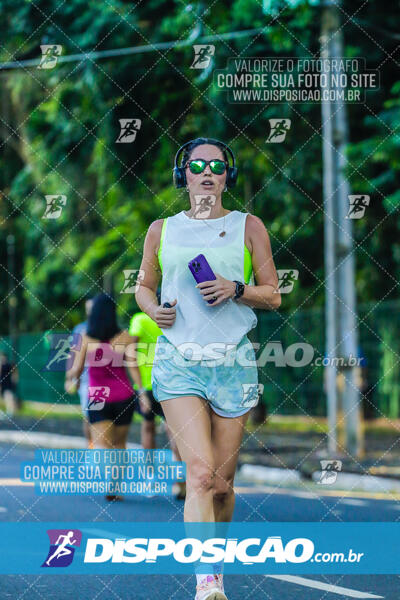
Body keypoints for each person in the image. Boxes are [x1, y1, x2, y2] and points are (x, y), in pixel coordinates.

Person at [135, 138, 281, 600]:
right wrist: (153, 308)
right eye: (197, 165)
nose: (207, 172)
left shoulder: (248, 226)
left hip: (233, 362)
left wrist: (235, 287)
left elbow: (273, 293)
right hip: (178, 362)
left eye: (217, 167)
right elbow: (143, 285)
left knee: (221, 483)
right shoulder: (161, 229)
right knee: (198, 474)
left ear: (226, 177)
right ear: (184, 175)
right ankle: (207, 584)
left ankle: (216, 567)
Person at [65, 293, 149, 502]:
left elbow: (74, 371)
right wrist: (142, 392)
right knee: (120, 444)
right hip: (124, 394)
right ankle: (115, 486)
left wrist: (71, 379)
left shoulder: (84, 337)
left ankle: (106, 479)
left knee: (102, 443)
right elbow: (133, 366)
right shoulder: (125, 336)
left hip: (98, 394)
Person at [129, 296, 186, 499]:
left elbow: (130, 356)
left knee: (149, 429)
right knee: (173, 433)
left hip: (153, 385)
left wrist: (141, 390)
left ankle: (153, 479)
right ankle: (180, 483)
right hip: (167, 384)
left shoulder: (140, 319)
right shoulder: (175, 318)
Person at [64, 298, 93, 448]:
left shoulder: (108, 327)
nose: (90, 311)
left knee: (102, 418)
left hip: (104, 381)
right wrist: (69, 378)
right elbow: (73, 354)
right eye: (88, 308)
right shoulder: (80, 329)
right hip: (86, 380)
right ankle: (92, 446)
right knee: (89, 416)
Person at [0, 352, 18, 416]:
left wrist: (14, 381)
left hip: (7, 384)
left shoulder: (8, 365)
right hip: (2, 384)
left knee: (8, 398)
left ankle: (10, 412)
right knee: (4, 398)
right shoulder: (2, 365)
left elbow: (14, 374)